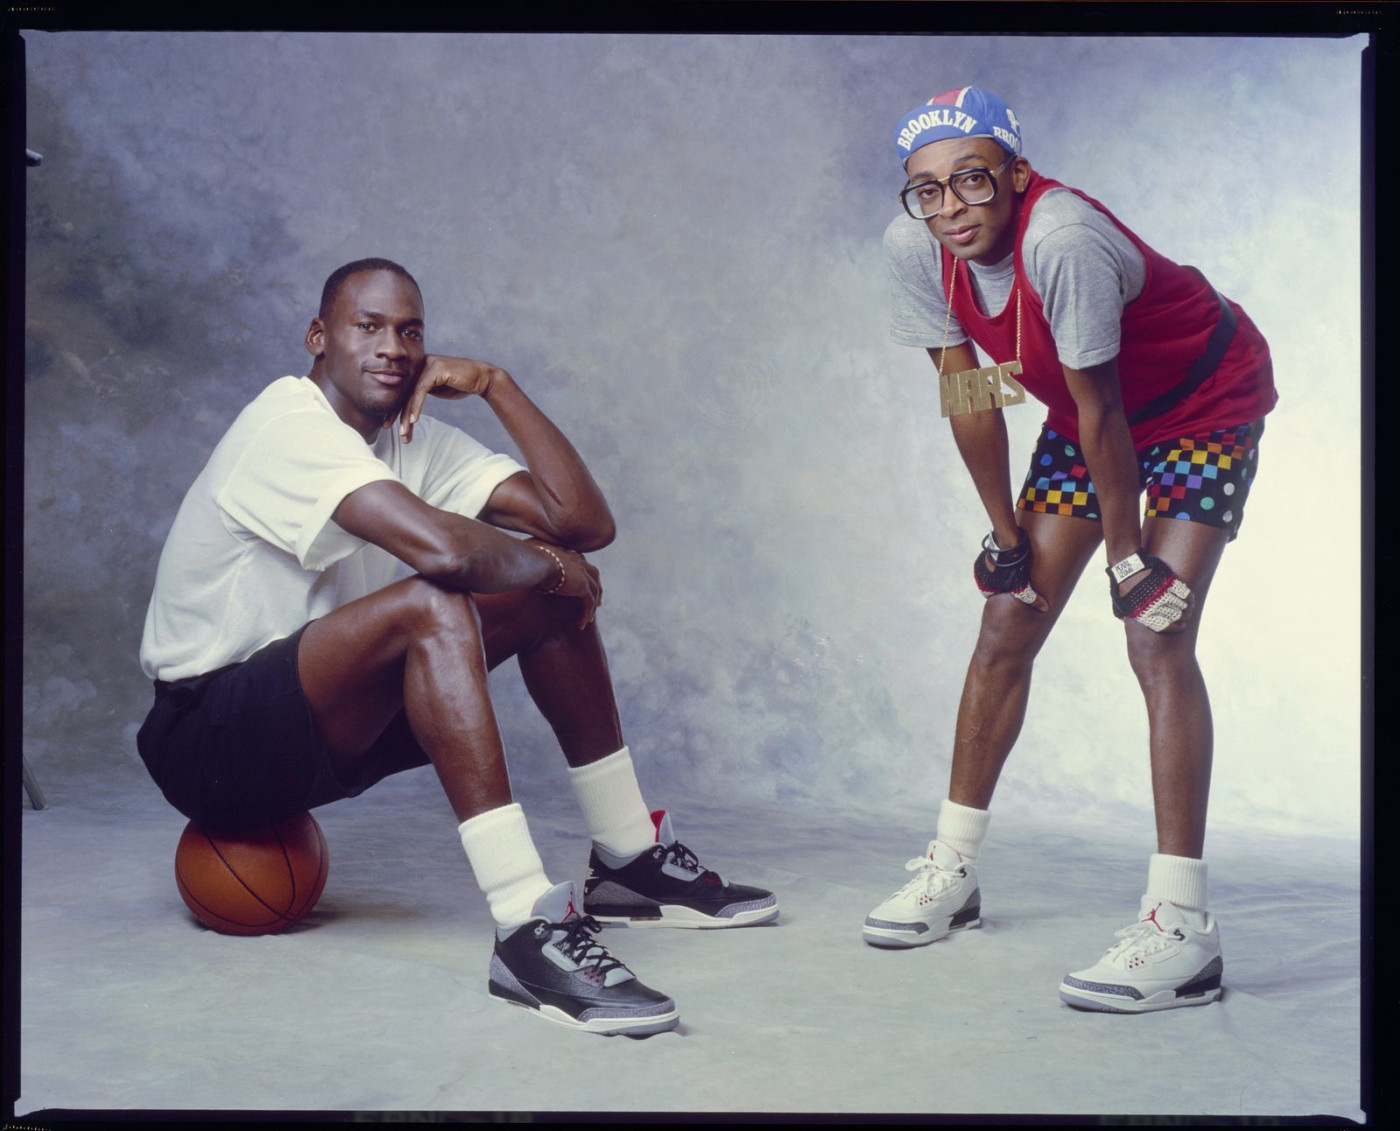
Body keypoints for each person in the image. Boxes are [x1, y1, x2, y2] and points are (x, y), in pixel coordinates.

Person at [137, 257, 777, 1037]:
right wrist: (555, 564)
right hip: (208, 735)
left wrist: (496, 384)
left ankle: (627, 859)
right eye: (366, 326)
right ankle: (524, 928)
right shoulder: (287, 422)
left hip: (319, 730)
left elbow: (583, 523)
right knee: (437, 601)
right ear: (318, 337)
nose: (392, 347)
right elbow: (444, 553)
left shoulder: (415, 440)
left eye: (410, 331)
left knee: (543, 595)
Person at [866, 87, 1276, 1013]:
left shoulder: (1062, 238)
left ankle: (1183, 929)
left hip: (1199, 408)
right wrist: (1005, 539)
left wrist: (1129, 561)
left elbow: (1104, 411)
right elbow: (967, 389)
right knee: (1008, 617)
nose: (950, 210)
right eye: (926, 191)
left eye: (971, 181)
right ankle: (954, 871)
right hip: (1096, 419)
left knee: (1156, 635)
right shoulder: (916, 249)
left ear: (1015, 175)